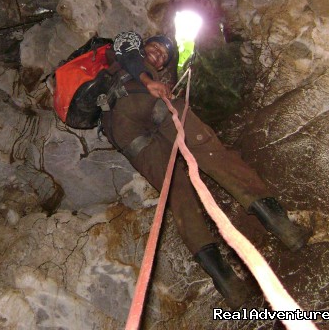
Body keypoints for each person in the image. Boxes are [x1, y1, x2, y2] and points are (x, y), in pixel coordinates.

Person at [100, 31, 310, 309]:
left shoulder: (151, 76)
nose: (159, 53)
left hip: (126, 134)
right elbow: (128, 53)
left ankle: (227, 283)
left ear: (164, 66)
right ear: (143, 44)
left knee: (176, 194)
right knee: (209, 151)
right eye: (155, 47)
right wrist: (149, 81)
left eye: (163, 55)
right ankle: (282, 225)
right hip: (141, 103)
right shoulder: (130, 49)